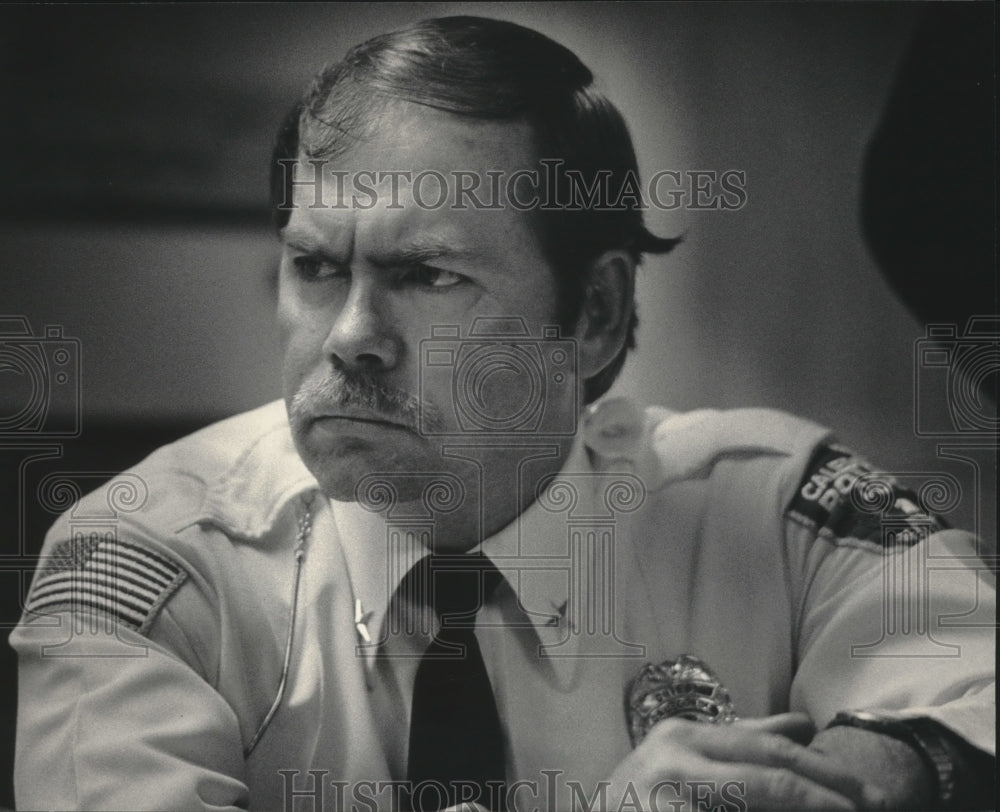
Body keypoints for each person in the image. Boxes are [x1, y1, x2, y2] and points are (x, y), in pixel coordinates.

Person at [11, 15, 995, 812]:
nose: (351, 335)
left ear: (595, 314)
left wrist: (868, 774)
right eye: (315, 266)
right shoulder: (145, 560)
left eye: (426, 273)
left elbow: (976, 687)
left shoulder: (776, 512)